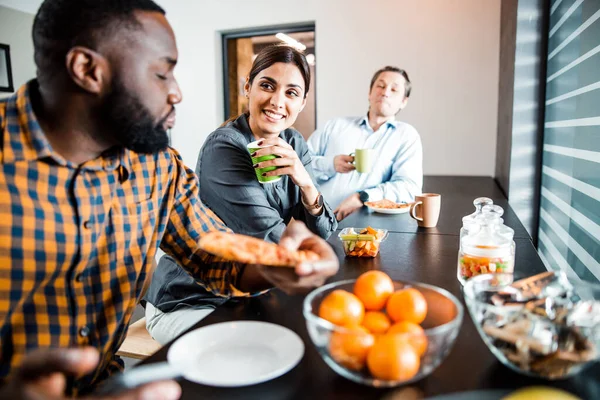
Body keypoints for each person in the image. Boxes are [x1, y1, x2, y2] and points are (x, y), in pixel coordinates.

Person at [0, 1, 338, 399]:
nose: (176, 93)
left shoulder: (156, 166)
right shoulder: (223, 147)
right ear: (88, 70)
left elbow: (210, 252)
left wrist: (280, 266)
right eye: (162, 73)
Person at [144, 45, 337, 344]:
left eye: (291, 93)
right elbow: (274, 243)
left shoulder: (295, 143)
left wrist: (306, 182)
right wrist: (306, 243)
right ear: (248, 86)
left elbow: (322, 233)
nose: (277, 101)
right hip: (191, 301)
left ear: (302, 102)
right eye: (267, 86)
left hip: (247, 293)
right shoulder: (224, 148)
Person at [308, 66, 423, 221]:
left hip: (370, 228)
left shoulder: (406, 136)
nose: (385, 92)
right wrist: (331, 164)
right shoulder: (335, 125)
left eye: (394, 90)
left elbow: (409, 187)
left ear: (403, 101)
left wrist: (363, 197)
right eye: (380, 86)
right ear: (370, 93)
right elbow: (301, 165)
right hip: (314, 220)